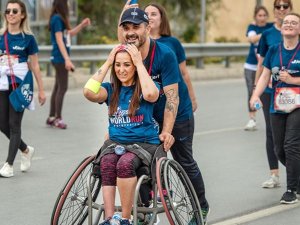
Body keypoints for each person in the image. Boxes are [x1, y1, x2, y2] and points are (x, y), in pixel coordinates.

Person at [118, 4, 210, 224]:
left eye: (136, 27)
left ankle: (201, 207)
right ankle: (144, 210)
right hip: (147, 116)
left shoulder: (165, 54)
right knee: (138, 159)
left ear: (147, 28)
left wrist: (167, 132)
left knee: (184, 160)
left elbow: (172, 99)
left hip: (177, 114)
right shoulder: (126, 52)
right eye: (126, 27)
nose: (131, 32)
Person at [84, 44, 162, 225]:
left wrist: (138, 62)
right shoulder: (111, 89)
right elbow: (88, 92)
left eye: (127, 65)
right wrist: (109, 61)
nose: (121, 70)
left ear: (135, 66)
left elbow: (152, 94)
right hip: (116, 143)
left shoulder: (146, 87)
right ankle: (110, 219)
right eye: (118, 65)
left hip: (143, 143)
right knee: (107, 162)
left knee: (125, 164)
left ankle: (126, 218)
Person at [250, 12, 300, 204]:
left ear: (299, 29)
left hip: (298, 105)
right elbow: (264, 76)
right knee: (279, 149)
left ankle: (291, 190)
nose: (289, 25)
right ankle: (298, 177)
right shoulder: (273, 50)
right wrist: (255, 94)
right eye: (286, 22)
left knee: (291, 145)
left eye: (293, 23)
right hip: (277, 105)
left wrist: (293, 80)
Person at [0, 0, 46, 178]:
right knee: (2, 124)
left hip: (20, 86)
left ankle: (9, 164)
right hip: (2, 84)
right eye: (8, 11)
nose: (10, 14)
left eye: (14, 11)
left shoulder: (28, 39)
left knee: (14, 124)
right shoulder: (1, 36)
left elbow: (34, 65)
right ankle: (25, 150)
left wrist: (41, 90)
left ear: (22, 15)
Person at [255, 0, 293, 189]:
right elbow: (261, 64)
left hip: (294, 92)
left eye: (285, 6)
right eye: (278, 6)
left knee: (292, 136)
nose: (281, 9)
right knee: (272, 133)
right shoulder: (268, 34)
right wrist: (256, 90)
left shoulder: (295, 31)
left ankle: (294, 174)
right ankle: (274, 174)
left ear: (290, 9)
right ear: (274, 10)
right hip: (271, 91)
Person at [144, 3, 198, 112]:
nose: (149, 17)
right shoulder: (140, 43)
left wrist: (192, 98)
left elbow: (184, 73)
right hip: (151, 103)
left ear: (162, 19)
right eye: (146, 14)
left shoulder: (173, 42)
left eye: (153, 14)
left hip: (175, 101)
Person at [46, 0, 90, 129]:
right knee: (62, 87)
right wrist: (67, 59)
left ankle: (51, 117)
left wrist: (81, 25)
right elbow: (59, 40)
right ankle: (57, 118)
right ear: (63, 5)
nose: (69, 6)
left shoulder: (58, 19)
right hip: (60, 58)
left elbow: (68, 35)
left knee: (57, 87)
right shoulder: (57, 19)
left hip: (58, 57)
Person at [244, 5, 273, 131]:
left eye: (264, 15)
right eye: (259, 15)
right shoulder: (252, 27)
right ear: (255, 16)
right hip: (251, 66)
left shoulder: (271, 26)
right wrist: (265, 34)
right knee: (252, 91)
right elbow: (252, 39)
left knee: (269, 92)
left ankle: (272, 117)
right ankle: (252, 118)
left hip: (267, 67)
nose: (262, 18)